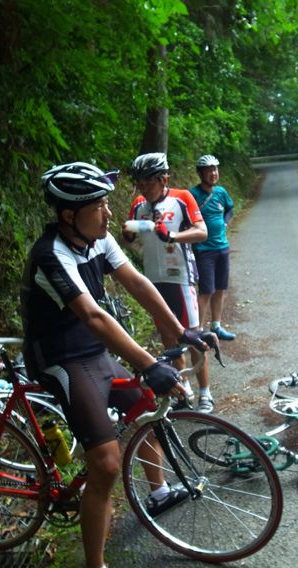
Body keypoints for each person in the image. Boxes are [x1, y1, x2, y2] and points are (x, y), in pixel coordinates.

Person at [19, 161, 214, 568]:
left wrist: (180, 332)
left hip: (93, 351)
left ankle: (158, 492)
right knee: (106, 465)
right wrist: (147, 363)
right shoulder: (50, 255)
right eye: (100, 207)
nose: (111, 213)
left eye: (108, 204)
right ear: (70, 215)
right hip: (60, 360)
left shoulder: (97, 238)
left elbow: (137, 282)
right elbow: (93, 316)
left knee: (146, 407)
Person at [122, 152, 215, 413]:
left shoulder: (181, 198)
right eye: (139, 183)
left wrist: (172, 236)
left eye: (148, 183)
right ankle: (182, 391)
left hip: (181, 279)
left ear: (164, 179)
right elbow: (128, 237)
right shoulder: (139, 203)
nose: (143, 188)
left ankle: (205, 393)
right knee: (169, 340)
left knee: (193, 336)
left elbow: (201, 231)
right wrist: (127, 234)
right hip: (153, 280)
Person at [189, 154, 236, 341]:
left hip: (222, 247)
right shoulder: (192, 195)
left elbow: (229, 209)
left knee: (220, 288)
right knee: (206, 290)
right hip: (203, 250)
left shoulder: (221, 192)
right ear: (200, 173)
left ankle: (216, 325)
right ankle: (198, 330)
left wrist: (225, 223)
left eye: (215, 170)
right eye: (209, 171)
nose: (213, 173)